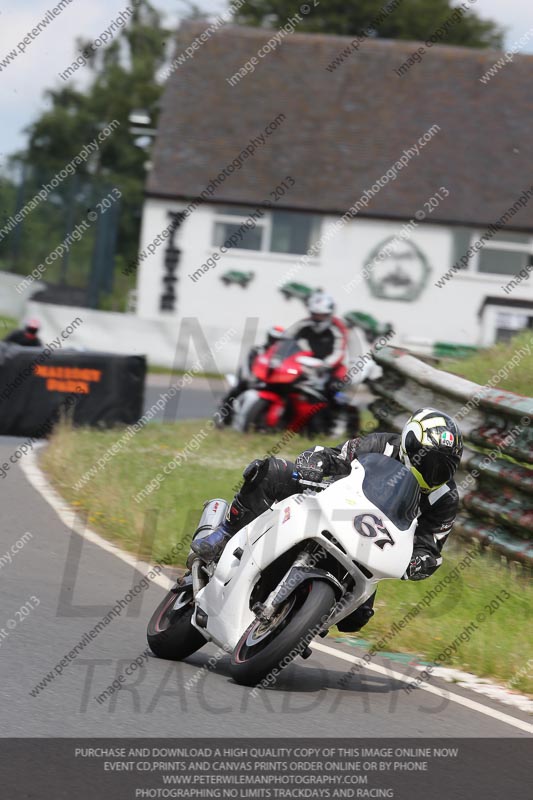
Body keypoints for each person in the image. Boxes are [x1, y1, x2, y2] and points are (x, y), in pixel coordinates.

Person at [190, 408, 463, 633]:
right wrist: (316, 462)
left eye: (443, 467)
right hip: (335, 504)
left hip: (370, 544)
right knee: (271, 471)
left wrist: (420, 562)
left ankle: (297, 625)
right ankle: (224, 533)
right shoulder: (381, 445)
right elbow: (336, 455)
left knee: (356, 618)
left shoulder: (445, 498)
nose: (432, 470)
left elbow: (431, 545)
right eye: (427, 460)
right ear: (409, 443)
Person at [216, 325, 285, 426]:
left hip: (270, 383)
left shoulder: (282, 356)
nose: (275, 342)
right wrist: (250, 378)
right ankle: (223, 414)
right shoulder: (258, 350)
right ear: (269, 337)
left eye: (278, 340)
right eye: (273, 338)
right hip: (253, 379)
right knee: (237, 390)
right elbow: (247, 366)